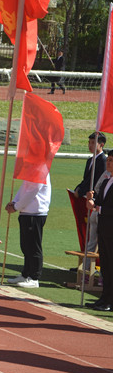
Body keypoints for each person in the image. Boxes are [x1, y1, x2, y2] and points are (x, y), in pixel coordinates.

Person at [5, 174, 51, 289]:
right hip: (26, 213)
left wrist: (16, 206)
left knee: (33, 247)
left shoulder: (41, 170)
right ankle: (25, 274)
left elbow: (33, 191)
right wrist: (14, 202)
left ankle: (34, 278)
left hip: (35, 213)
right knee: (26, 246)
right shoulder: (33, 169)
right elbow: (24, 188)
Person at [75, 132, 107, 271]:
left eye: (93, 143)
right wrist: (78, 188)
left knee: (99, 240)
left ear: (101, 144)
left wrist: (87, 193)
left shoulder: (103, 161)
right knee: (90, 237)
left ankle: (95, 268)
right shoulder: (90, 160)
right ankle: (85, 267)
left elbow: (97, 183)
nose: (90, 145)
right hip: (89, 203)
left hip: (97, 204)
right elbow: (86, 179)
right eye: (89, 142)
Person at [87, 150, 113, 311]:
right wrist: (92, 200)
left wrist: (98, 207)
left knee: (111, 265)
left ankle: (110, 301)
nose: (108, 163)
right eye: (108, 160)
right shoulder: (106, 181)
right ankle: (104, 298)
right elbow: (100, 202)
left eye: (111, 160)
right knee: (105, 265)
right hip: (103, 229)